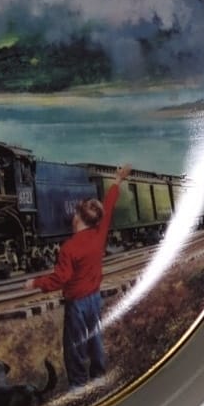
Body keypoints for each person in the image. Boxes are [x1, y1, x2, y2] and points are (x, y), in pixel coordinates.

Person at [34, 164, 132, 388]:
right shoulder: (99, 234)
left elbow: (59, 279)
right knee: (95, 338)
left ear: (77, 218)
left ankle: (78, 386)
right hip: (94, 298)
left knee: (74, 346)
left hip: (77, 303)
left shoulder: (69, 248)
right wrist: (117, 181)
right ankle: (99, 376)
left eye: (75, 213)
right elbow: (108, 206)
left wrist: (34, 283)